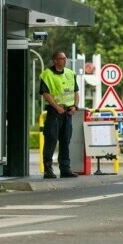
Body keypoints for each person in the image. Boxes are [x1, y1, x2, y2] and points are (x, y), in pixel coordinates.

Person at [40, 50, 80, 179]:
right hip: (54, 113)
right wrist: (57, 108)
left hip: (68, 113)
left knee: (65, 141)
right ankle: (48, 170)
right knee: (51, 140)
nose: (64, 61)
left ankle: (65, 169)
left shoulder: (70, 73)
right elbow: (46, 94)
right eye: (61, 58)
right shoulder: (47, 74)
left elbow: (76, 92)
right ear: (55, 60)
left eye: (65, 58)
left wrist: (75, 106)